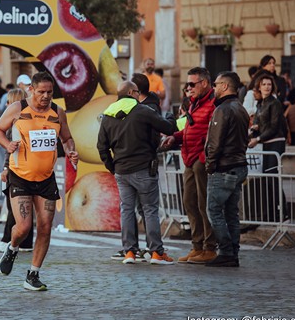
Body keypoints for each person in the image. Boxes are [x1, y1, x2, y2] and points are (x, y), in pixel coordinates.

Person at [0, 72, 78, 291]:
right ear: (32, 89)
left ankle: (33, 274)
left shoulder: (58, 112)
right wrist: (7, 145)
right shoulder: (18, 109)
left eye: (50, 92)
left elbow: (66, 138)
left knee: (46, 227)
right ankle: (12, 248)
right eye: (41, 92)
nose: (46, 96)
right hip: (20, 175)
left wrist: (71, 151)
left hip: (46, 178)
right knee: (23, 227)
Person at [97, 80, 177, 265]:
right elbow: (168, 128)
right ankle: (156, 253)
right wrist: (171, 117)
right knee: (149, 210)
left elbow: (101, 146)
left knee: (126, 209)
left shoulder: (108, 115)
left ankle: (130, 252)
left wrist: (112, 167)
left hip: (121, 171)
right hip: (143, 168)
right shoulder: (142, 111)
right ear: (133, 93)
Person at [162, 67, 217, 264]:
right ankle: (197, 245)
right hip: (189, 156)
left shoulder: (213, 103)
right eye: (187, 85)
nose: (189, 88)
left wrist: (204, 156)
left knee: (204, 203)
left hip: (200, 159)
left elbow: (214, 134)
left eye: (192, 84)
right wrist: (174, 137)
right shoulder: (194, 103)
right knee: (189, 201)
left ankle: (209, 247)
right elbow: (187, 129)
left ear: (204, 83)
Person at [204, 71, 249, 267]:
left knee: (214, 210)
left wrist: (210, 164)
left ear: (224, 86)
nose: (213, 88)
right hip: (238, 166)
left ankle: (227, 251)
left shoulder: (222, 110)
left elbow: (215, 142)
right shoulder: (240, 108)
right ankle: (233, 252)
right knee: (231, 212)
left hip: (224, 167)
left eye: (215, 84)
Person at [0, 88, 34, 253]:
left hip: (17, 167)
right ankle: (25, 242)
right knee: (24, 207)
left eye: (9, 102)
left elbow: (10, 148)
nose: (6, 105)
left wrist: (6, 168)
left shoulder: (13, 121)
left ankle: (7, 239)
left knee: (13, 206)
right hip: (26, 165)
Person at [248, 74, 288, 222]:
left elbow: (274, 126)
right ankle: (271, 213)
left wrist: (257, 138)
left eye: (269, 84)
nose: (266, 87)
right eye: (264, 84)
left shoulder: (274, 103)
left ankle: (283, 212)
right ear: (259, 86)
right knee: (267, 179)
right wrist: (253, 132)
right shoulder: (260, 104)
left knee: (273, 178)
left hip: (276, 142)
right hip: (265, 143)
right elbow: (258, 125)